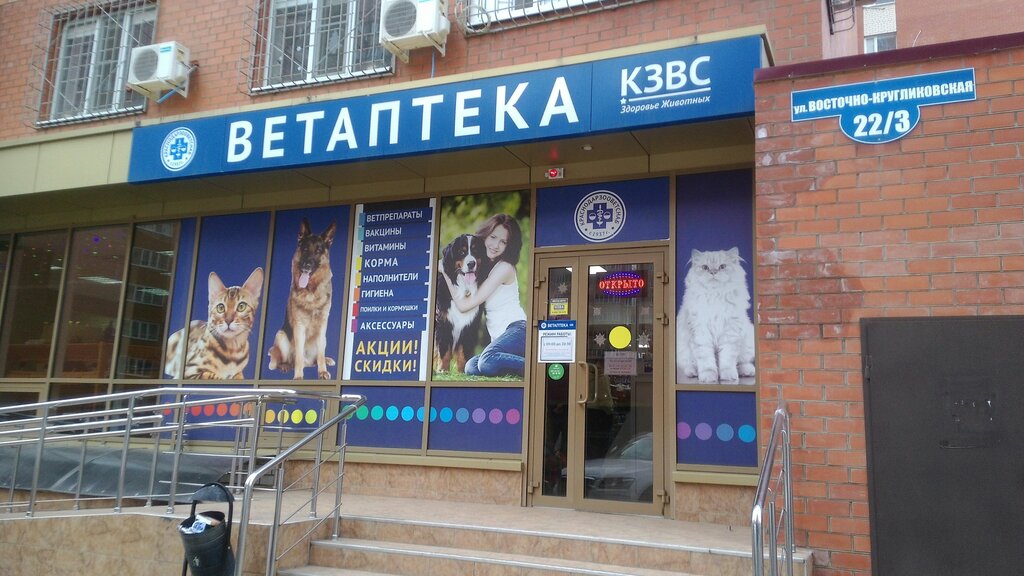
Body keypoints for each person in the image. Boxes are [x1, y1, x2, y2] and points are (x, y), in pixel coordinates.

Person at [441, 213, 527, 377]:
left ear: (508, 246)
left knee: (487, 361)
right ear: (485, 235)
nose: (496, 245)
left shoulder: (505, 268)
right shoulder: (483, 267)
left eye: (503, 242)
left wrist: (444, 271)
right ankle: (514, 365)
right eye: (493, 237)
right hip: (500, 338)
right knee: (471, 367)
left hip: (518, 329)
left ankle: (538, 366)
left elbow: (464, 305)